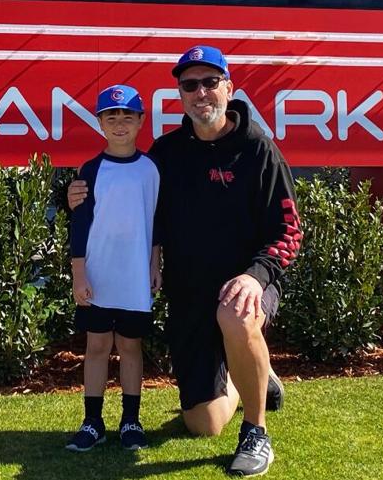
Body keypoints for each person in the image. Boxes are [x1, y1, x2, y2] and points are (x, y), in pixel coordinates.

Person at [68, 46, 301, 477]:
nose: (201, 92)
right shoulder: (169, 153)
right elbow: (130, 193)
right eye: (190, 85)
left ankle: (255, 431)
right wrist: (76, 197)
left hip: (248, 284)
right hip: (190, 294)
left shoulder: (259, 150)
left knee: (235, 312)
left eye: (210, 82)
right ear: (181, 94)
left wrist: (256, 276)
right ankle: (254, 376)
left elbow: (289, 230)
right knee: (204, 424)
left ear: (228, 88)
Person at [66, 84, 161, 453]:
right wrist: (79, 274)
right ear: (100, 123)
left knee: (131, 346)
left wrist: (155, 264)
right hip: (99, 274)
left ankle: (131, 421)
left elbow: (156, 222)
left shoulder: (151, 169)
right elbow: (80, 225)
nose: (119, 123)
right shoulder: (91, 170)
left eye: (127, 116)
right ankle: (92, 422)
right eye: (111, 116)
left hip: (135, 276)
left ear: (140, 121)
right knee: (97, 346)